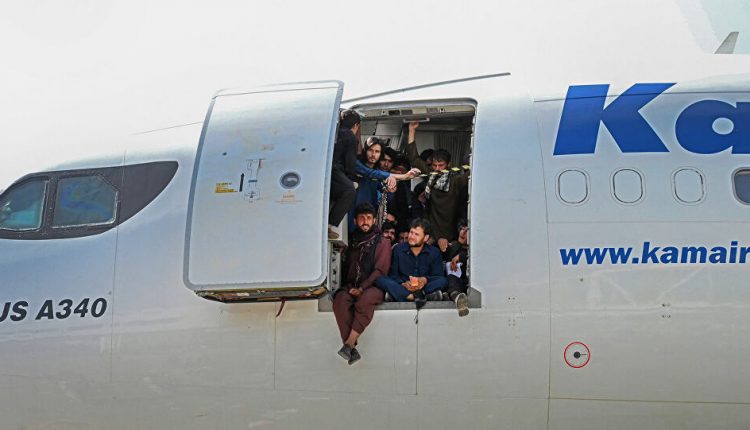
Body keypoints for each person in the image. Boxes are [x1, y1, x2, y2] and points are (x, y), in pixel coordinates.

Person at [333, 203, 391, 365]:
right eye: (361, 218)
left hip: (373, 287)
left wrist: (362, 288)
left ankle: (349, 343)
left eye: (369, 218)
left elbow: (380, 271)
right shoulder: (351, 241)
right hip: (352, 286)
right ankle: (350, 349)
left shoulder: (382, 242)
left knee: (365, 300)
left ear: (374, 221)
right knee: (340, 300)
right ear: (355, 221)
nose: (365, 221)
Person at [404, 121, 469, 252]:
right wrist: (412, 130)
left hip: (451, 233)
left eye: (441, 165)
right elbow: (414, 158)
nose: (437, 169)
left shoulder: (456, 180)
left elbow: (472, 173)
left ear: (449, 165)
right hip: (432, 233)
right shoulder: (431, 175)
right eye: (434, 165)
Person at [351, 138, 418, 231]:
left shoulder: (380, 174)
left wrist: (390, 190)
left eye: (377, 151)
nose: (373, 154)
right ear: (365, 151)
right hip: (352, 213)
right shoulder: (357, 164)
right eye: (370, 150)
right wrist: (404, 176)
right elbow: (371, 173)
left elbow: (383, 194)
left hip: (369, 217)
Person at [376, 218, 447, 303]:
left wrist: (424, 280)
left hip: (424, 286)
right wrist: (403, 284)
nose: (412, 237)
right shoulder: (398, 249)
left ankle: (401, 295)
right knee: (380, 279)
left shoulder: (434, 252)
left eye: (416, 234)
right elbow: (393, 275)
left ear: (426, 238)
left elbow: (438, 276)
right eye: (411, 232)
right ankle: (413, 296)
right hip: (403, 286)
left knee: (444, 281)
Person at [328, 110, 360, 239]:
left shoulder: (333, 133)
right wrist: (352, 180)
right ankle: (330, 225)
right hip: (336, 171)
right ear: (356, 125)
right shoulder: (351, 137)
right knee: (350, 191)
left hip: (327, 172)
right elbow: (350, 162)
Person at [443, 220, 470, 317]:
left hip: (465, 285)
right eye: (462, 229)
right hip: (450, 283)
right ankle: (457, 298)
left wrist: (462, 256)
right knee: (450, 277)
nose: (462, 232)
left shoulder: (474, 249)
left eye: (467, 231)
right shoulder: (453, 246)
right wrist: (440, 241)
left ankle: (457, 297)